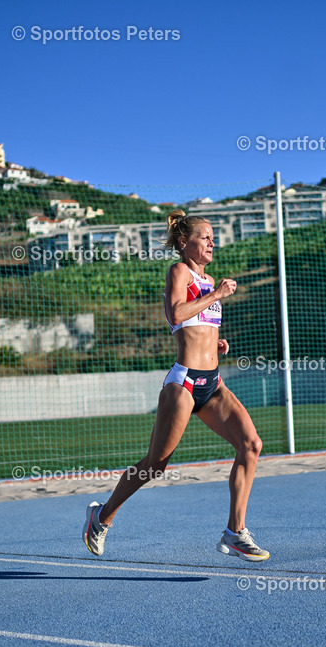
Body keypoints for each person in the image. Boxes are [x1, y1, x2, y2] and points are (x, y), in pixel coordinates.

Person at [83, 209, 269, 562]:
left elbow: (196, 327)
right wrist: (217, 296)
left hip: (212, 384)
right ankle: (102, 516)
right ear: (185, 243)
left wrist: (215, 343)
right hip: (182, 384)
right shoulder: (179, 271)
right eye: (205, 237)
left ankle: (235, 532)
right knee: (155, 465)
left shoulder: (209, 279)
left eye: (214, 237)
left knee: (251, 445)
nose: (212, 242)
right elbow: (176, 315)